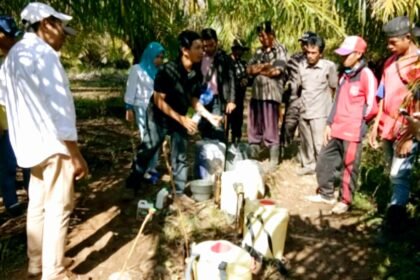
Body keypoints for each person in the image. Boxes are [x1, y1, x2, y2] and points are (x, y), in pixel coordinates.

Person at [0, 2, 88, 279]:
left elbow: (4, 100)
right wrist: (75, 154)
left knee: (37, 205)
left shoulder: (12, 57)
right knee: (60, 208)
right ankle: (56, 271)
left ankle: (37, 264)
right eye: (62, 30)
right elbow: (60, 109)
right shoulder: (45, 56)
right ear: (47, 24)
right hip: (53, 146)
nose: (64, 37)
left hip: (28, 147)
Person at [126, 30, 222, 194]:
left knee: (180, 155)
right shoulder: (168, 70)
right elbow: (158, 100)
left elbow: (193, 99)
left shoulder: (197, 73)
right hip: (159, 117)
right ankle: (131, 185)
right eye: (197, 48)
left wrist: (209, 116)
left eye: (202, 48)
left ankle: (178, 192)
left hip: (179, 117)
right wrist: (182, 119)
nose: (202, 51)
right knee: (148, 149)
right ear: (185, 50)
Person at [306, 36, 378, 214]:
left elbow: (372, 106)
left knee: (350, 166)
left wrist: (360, 123)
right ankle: (326, 193)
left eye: (347, 54)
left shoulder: (366, 75)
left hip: (352, 131)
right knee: (324, 159)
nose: (343, 58)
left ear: (359, 54)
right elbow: (336, 101)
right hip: (336, 128)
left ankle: (345, 200)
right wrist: (329, 123)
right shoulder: (344, 75)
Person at [368, 16, 419, 234]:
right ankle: (396, 211)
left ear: (408, 38)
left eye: (393, 42)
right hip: (388, 125)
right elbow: (382, 94)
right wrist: (375, 124)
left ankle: (394, 225)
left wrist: (411, 135)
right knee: (393, 172)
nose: (389, 46)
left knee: (399, 174)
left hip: (408, 127)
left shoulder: (417, 63)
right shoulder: (390, 62)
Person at [293, 35, 338, 175]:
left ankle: (323, 169)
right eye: (308, 53)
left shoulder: (329, 66)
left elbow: (333, 88)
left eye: (314, 53)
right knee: (306, 142)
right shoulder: (301, 66)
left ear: (321, 53)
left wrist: (331, 112)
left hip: (320, 112)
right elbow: (298, 88)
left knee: (320, 143)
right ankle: (308, 165)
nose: (310, 56)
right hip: (304, 109)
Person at [0, 15, 30, 217]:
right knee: (7, 163)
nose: (13, 40)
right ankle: (11, 201)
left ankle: (33, 195)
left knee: (28, 160)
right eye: (10, 36)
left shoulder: (12, 59)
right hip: (3, 120)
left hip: (20, 117)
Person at [247, 21, 287, 167]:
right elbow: (248, 70)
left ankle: (273, 157)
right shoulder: (258, 51)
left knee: (271, 124)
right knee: (255, 123)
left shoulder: (279, 50)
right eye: (259, 36)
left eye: (263, 36)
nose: (261, 39)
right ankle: (254, 151)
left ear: (271, 35)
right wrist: (265, 66)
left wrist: (259, 69)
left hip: (271, 93)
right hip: (257, 93)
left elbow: (276, 71)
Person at [124, 42, 165, 184]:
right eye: (156, 57)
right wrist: (128, 107)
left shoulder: (159, 71)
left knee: (156, 139)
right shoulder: (137, 69)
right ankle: (145, 169)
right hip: (141, 107)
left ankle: (152, 167)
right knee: (146, 138)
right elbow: (131, 88)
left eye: (161, 57)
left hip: (155, 108)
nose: (159, 60)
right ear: (149, 55)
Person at [281, 31, 317, 149]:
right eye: (302, 43)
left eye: (306, 43)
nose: (304, 46)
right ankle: (284, 147)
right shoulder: (294, 58)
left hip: (312, 98)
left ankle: (305, 150)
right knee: (289, 124)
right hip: (294, 98)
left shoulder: (317, 59)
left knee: (308, 126)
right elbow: (285, 76)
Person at [199, 28, 236, 142]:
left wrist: (231, 100)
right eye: (205, 46)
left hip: (217, 98)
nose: (208, 48)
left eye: (211, 45)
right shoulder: (199, 57)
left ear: (216, 42)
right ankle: (207, 154)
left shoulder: (224, 58)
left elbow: (231, 78)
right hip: (202, 98)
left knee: (217, 126)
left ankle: (220, 153)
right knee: (203, 126)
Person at [227, 38, 249, 144]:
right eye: (239, 50)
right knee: (227, 120)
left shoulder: (243, 63)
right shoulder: (226, 61)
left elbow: (248, 77)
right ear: (233, 49)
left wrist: (246, 80)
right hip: (228, 97)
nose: (241, 52)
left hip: (240, 96)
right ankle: (225, 141)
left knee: (238, 120)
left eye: (242, 50)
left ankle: (236, 141)